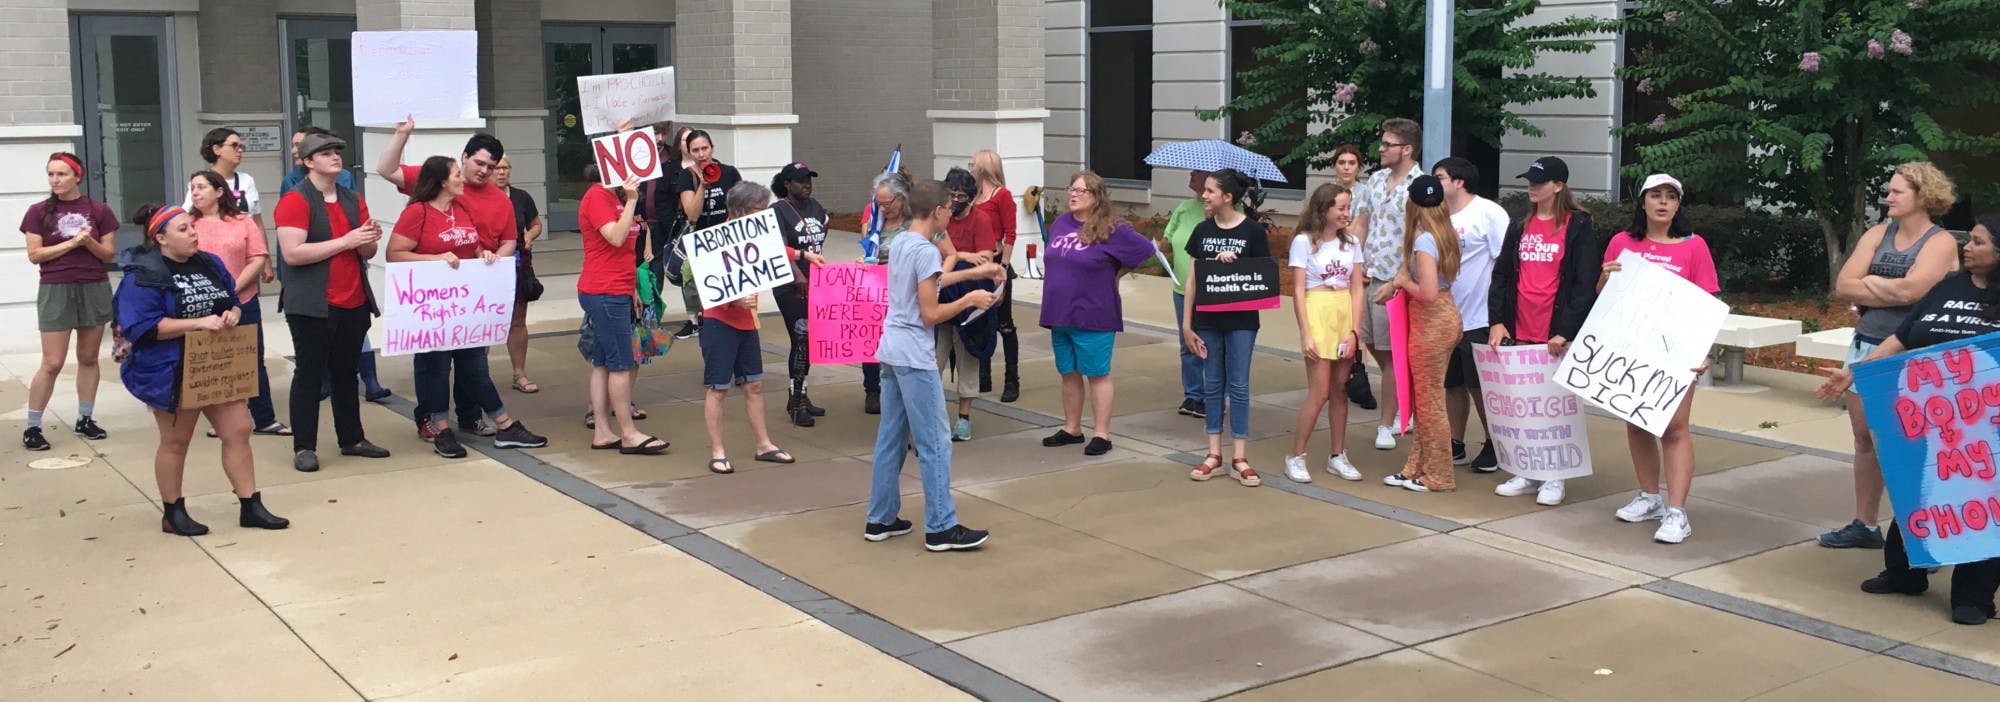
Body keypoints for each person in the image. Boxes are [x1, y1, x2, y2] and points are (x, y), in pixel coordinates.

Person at [1816, 216, 2000, 626]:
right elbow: (1902, 337)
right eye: (1969, 240)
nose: (1968, 247)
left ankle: (1973, 596)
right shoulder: (1948, 287)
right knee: (1918, 492)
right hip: (1928, 418)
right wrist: (1854, 371)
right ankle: (1904, 573)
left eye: (1978, 242)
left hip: (1985, 429)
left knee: (1983, 505)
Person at [115, 204, 289, 536]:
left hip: (215, 363)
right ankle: (173, 512)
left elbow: (229, 299)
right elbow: (140, 327)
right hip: (171, 369)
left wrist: (233, 313)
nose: (193, 233)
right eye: (183, 229)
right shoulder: (143, 275)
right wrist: (196, 323)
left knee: (238, 429)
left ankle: (250, 505)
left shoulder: (209, 263)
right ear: (161, 238)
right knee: (176, 441)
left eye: (192, 227)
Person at [1821, 162, 1960, 550]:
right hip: (1865, 343)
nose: (1888, 197)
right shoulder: (1877, 233)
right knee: (1863, 439)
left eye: (1898, 191)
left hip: (1911, 351)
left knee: (1903, 443)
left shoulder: (1940, 242)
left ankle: (1919, 532)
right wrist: (1891, 289)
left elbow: (1913, 292)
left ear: (1923, 196)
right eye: (1889, 190)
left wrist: (1871, 283)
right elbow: (1844, 285)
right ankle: (1865, 525)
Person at [864, 179, 1000, 552]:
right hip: (914, 355)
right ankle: (941, 526)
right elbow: (930, 313)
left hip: (891, 350)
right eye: (949, 208)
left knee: (890, 438)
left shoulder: (902, 242)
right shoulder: (925, 250)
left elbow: (930, 282)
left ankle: (880, 518)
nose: (951, 215)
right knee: (935, 442)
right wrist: (970, 299)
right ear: (938, 211)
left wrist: (974, 273)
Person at [387, 156, 548, 458]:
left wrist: (482, 253)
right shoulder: (417, 212)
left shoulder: (460, 209)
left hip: (463, 307)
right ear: (441, 182)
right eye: (457, 175)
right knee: (437, 368)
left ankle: (504, 425)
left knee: (476, 366)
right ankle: (441, 429)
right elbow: (394, 253)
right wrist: (435, 259)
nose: (463, 180)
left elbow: (470, 244)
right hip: (434, 307)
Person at [378, 118, 520, 439]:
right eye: (479, 163)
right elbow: (386, 170)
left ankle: (471, 417)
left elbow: (505, 240)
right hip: (434, 299)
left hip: (473, 295)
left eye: (492, 166)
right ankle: (432, 420)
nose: (484, 171)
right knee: (434, 364)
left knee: (474, 363)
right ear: (464, 158)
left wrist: (491, 263)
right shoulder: (434, 189)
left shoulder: (491, 202)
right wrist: (402, 134)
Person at [1601, 174, 1720, 544]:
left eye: (1671, 196)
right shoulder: (1622, 242)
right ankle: (1649, 497)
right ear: (1643, 201)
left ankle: (1677, 512)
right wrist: (1605, 278)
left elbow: (1706, 303)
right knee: (1637, 423)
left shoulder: (1694, 246)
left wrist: (1702, 352)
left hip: (1675, 350)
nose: (1663, 202)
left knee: (1674, 428)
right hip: (1631, 347)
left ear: (1679, 205)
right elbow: (1604, 297)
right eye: (1656, 195)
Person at [274, 131, 392, 473]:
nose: (335, 156)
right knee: (309, 374)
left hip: (353, 299)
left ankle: (352, 438)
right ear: (309, 161)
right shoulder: (295, 200)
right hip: (312, 303)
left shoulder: (352, 198)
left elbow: (366, 252)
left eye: (337, 151)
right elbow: (292, 254)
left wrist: (367, 241)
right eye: (325, 152)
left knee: (346, 373)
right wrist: (346, 240)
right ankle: (304, 447)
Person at [1488, 156, 1600, 504]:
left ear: (1558, 186)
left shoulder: (1577, 225)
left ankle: (1554, 477)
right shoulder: (1520, 224)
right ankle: (1527, 468)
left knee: (1555, 406)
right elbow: (1502, 274)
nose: (1531, 188)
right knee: (1523, 405)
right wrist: (1498, 320)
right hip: (1521, 327)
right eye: (1530, 182)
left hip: (1553, 331)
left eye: (1539, 182)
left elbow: (1584, 283)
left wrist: (1565, 330)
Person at [1040, 172, 1160, 455]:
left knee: (1097, 373)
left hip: (1093, 312)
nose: (1073, 194)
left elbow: (1146, 251)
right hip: (1060, 312)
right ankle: (1072, 428)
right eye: (1072, 189)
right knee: (1068, 372)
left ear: (1096, 196)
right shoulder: (1061, 223)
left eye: (1081, 190)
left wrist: (1116, 273)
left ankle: (1102, 434)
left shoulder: (1111, 229)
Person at [20, 152, 118, 451]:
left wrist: (90, 243)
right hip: (56, 288)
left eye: (61, 174)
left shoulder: (99, 210)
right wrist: (72, 243)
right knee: (52, 362)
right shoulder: (37, 211)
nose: (55, 179)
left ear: (77, 176)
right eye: (51, 174)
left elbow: (109, 255)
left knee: (88, 357)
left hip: (93, 286)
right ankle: (33, 426)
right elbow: (35, 255)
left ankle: (85, 419)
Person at [1183, 169, 1274, 487]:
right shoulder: (1202, 230)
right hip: (1207, 320)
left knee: (1238, 385)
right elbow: (1192, 280)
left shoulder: (1252, 231)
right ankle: (1213, 453)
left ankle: (1239, 456)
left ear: (1227, 196)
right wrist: (1186, 325)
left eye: (1210, 191)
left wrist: (1238, 265)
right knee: (1212, 383)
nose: (1204, 195)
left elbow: (1264, 278)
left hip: (1242, 321)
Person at [700, 182, 797, 474]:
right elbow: (710, 287)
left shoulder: (755, 233)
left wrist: (803, 256)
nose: (765, 214)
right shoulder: (715, 241)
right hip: (720, 322)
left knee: (754, 384)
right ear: (742, 211)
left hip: (746, 321)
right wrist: (735, 300)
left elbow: (775, 250)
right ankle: (717, 451)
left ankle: (763, 444)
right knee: (717, 388)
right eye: (760, 209)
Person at [188, 170, 290, 438]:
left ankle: (264, 418)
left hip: (243, 298)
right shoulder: (188, 224)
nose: (195, 192)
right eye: (193, 188)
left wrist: (232, 289)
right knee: (214, 362)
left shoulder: (242, 221)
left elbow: (257, 257)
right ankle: (220, 420)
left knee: (251, 358)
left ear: (219, 191)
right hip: (203, 304)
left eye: (201, 187)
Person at [1378, 175, 1463, 493]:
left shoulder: (1425, 241)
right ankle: (1416, 467)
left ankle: (1439, 475)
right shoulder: (1444, 233)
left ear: (1411, 204)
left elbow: (1427, 293)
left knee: (1429, 403)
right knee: (1424, 400)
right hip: (1445, 317)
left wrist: (1401, 283)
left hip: (1431, 323)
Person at [576, 164, 668, 455]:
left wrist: (631, 290)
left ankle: (603, 431)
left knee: (602, 360)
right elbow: (615, 238)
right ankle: (628, 433)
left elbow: (626, 251)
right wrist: (631, 200)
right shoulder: (598, 196)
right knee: (621, 363)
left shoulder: (614, 197)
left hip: (615, 289)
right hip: (604, 290)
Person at [1284, 183, 1366, 483]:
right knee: (1319, 392)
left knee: (1340, 389)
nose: (1346, 213)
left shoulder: (1351, 242)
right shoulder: (1304, 242)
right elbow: (1297, 290)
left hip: (1343, 313)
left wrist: (1355, 331)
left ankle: (1337, 454)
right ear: (1324, 209)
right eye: (1341, 208)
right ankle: (1296, 455)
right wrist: (1305, 333)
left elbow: (1357, 288)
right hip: (1317, 311)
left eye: (1348, 207)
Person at [1434, 157, 1510, 475]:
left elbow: (1506, 264)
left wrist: (1500, 317)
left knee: (1480, 385)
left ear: (1459, 181)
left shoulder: (1488, 213)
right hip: (1446, 316)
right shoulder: (1437, 215)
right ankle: (1456, 442)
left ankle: (1494, 443)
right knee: (1452, 383)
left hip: (1479, 316)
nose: (1435, 182)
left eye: (1440, 177)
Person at [1352, 118, 1425, 450]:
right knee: (1370, 342)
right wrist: (1353, 264)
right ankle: (1404, 397)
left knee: (1393, 353)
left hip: (1396, 280)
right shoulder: (1376, 179)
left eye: (1387, 144)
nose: (1380, 149)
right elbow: (1361, 224)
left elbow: (1422, 238)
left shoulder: (1420, 186)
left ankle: (1388, 422)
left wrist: (1401, 280)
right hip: (1368, 275)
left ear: (1406, 149)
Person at [938, 167, 1002, 441]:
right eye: (951, 195)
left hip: (969, 300)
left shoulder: (981, 219)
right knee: (932, 359)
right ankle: (930, 418)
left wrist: (953, 256)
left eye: (961, 196)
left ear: (972, 198)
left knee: (968, 358)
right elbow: (931, 250)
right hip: (940, 299)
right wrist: (963, 255)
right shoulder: (939, 216)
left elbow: (985, 259)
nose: (955, 201)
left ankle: (964, 418)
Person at [771, 162, 832, 427]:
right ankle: (796, 403)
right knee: (800, 339)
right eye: (800, 180)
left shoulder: (816, 207)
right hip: (790, 285)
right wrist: (797, 273)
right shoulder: (778, 211)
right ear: (787, 184)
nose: (807, 184)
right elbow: (779, 246)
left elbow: (821, 234)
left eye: (809, 179)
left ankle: (801, 395)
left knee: (810, 342)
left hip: (816, 283)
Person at [675, 129, 743, 340]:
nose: (701, 154)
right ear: (689, 152)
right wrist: (703, 186)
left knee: (731, 299)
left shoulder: (730, 173)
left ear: (712, 148)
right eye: (695, 150)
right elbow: (692, 215)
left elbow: (741, 208)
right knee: (709, 303)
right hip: (702, 247)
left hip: (728, 244)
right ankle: (710, 338)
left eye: (705, 148)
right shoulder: (686, 176)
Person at [970, 150, 1023, 403]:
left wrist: (1004, 264)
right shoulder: (973, 196)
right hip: (977, 263)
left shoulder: (1002, 196)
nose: (971, 167)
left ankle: (1012, 379)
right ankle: (984, 372)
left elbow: (1010, 233)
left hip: (997, 262)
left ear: (983, 167)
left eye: (974, 164)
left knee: (1004, 323)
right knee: (979, 318)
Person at [1331, 143, 1379, 411]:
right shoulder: (1327, 194)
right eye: (1342, 162)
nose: (1346, 167)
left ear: (1359, 167)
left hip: (1358, 263)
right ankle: (1338, 376)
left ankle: (1359, 376)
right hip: (1332, 266)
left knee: (1357, 323)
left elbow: (1365, 229)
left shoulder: (1366, 193)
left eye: (1351, 163)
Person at [861, 170, 914, 415]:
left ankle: (901, 392)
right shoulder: (875, 221)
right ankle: (873, 389)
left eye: (887, 203)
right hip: (876, 294)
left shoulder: (914, 225)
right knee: (871, 340)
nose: (882, 208)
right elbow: (867, 252)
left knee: (899, 346)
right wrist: (864, 262)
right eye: (878, 203)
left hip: (904, 296)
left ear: (901, 199)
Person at [1162, 168, 1212, 419]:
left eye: (1198, 172)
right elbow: (1167, 240)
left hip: (1213, 290)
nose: (1191, 174)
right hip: (1182, 287)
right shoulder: (1183, 208)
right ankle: (1193, 395)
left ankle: (1214, 396)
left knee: (1212, 342)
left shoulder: (1226, 210)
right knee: (1187, 342)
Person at [495, 156, 546, 394]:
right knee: (485, 321)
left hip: (517, 264)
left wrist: (529, 235)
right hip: (486, 264)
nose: (501, 172)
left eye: (505, 167)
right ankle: (478, 377)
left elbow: (536, 224)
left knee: (517, 319)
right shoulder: (477, 197)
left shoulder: (521, 197)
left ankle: (519, 373)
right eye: (497, 168)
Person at [185, 128, 264, 225]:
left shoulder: (247, 180)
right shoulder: (200, 181)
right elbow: (188, 216)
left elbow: (257, 221)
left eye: (241, 146)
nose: (240, 150)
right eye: (234, 145)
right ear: (216, 149)